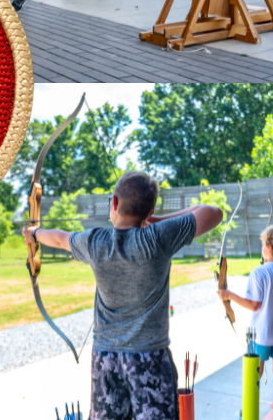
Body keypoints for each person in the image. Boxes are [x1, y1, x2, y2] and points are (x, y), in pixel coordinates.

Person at [22, 171, 224, 420]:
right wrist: (155, 219)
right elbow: (212, 212)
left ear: (114, 203)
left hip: (105, 360)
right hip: (150, 358)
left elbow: (60, 238)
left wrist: (33, 233)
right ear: (149, 212)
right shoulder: (158, 237)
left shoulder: (95, 241)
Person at [219, 224, 273, 420]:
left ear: (270, 247)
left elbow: (255, 305)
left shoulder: (259, 272)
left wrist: (229, 295)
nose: (261, 247)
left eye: (263, 244)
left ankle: (249, 410)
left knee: (255, 372)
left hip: (261, 335)